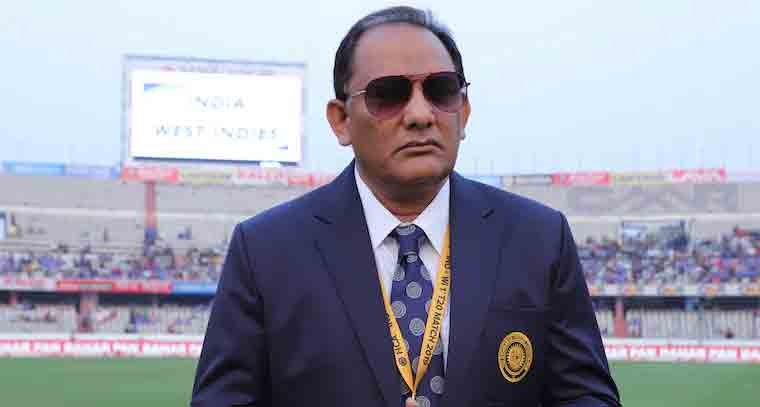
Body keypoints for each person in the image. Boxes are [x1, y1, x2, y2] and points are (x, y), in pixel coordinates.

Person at [191, 6, 620, 407]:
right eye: (389, 94)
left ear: (464, 112)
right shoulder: (266, 251)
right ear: (341, 120)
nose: (420, 114)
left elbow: (586, 397)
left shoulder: (538, 239)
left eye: (441, 90)